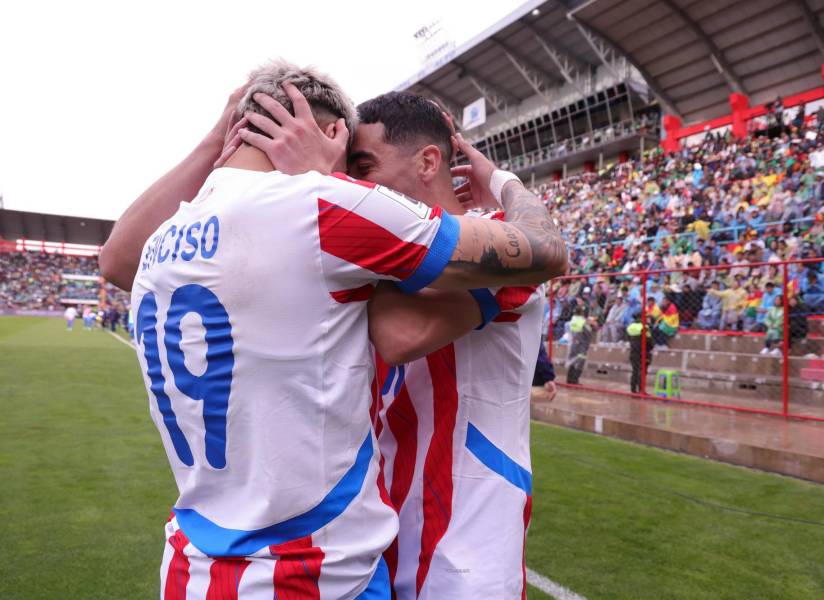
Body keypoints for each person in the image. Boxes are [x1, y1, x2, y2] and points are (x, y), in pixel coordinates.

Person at [99, 61, 567, 600]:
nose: (357, 181)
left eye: (361, 164)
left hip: (458, 555)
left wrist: (321, 177)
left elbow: (396, 332)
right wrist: (317, 179)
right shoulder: (322, 225)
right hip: (334, 555)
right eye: (351, 165)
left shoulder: (485, 255)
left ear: (428, 161)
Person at [565, 307, 593, 385]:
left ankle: (569, 379)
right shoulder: (582, 321)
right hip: (581, 344)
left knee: (572, 360)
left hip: (573, 343)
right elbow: (588, 333)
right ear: (581, 313)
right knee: (580, 362)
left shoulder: (572, 321)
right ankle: (575, 380)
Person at [627, 309, 652, 393]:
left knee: (635, 371)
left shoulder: (631, 326)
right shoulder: (644, 326)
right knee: (643, 372)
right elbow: (649, 340)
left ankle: (633, 390)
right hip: (644, 352)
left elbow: (628, 338)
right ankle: (641, 390)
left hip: (633, 351)